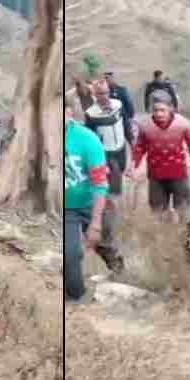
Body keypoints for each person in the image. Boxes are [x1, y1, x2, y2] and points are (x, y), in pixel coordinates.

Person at [130, 90, 190, 223]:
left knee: (184, 211)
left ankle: (182, 237)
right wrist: (133, 165)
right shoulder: (146, 126)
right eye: (155, 110)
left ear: (171, 108)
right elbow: (140, 148)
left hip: (178, 174)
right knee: (158, 212)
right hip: (156, 176)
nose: (158, 114)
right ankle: (165, 236)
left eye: (162, 110)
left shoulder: (182, 124)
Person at [63, 102, 111, 303]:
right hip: (67, 209)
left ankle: (124, 280)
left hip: (92, 203)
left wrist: (95, 222)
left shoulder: (87, 139)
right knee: (71, 253)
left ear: (69, 112)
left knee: (108, 246)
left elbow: (100, 183)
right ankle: (76, 297)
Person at [82, 78, 131, 275]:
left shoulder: (118, 105)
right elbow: (92, 141)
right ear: (94, 95)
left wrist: (133, 153)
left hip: (120, 152)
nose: (104, 97)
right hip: (106, 156)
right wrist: (101, 163)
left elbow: (126, 127)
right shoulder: (91, 114)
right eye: (99, 94)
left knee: (116, 194)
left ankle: (112, 222)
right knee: (112, 197)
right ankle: (108, 228)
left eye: (106, 92)